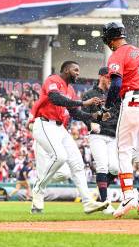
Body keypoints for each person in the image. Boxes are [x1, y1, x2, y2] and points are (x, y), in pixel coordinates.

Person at [30, 61, 109, 214]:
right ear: (66, 69)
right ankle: (38, 189)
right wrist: (84, 102)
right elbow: (55, 98)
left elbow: (75, 113)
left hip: (60, 128)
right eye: (75, 70)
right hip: (44, 123)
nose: (78, 73)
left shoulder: (70, 89)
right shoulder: (53, 80)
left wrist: (95, 116)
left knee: (78, 164)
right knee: (59, 156)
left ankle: (87, 202)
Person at [101, 22, 139, 218]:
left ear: (110, 39)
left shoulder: (117, 54)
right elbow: (133, 61)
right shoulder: (138, 51)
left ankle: (128, 196)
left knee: (124, 149)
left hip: (134, 100)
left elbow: (116, 82)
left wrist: (108, 105)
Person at [82, 67, 118, 215]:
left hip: (113, 135)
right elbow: (83, 114)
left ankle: (101, 189)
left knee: (115, 168)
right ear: (101, 76)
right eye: (108, 77)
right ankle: (105, 203)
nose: (110, 80)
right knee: (102, 167)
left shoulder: (115, 95)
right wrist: (90, 124)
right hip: (97, 135)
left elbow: (117, 113)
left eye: (112, 78)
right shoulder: (89, 94)